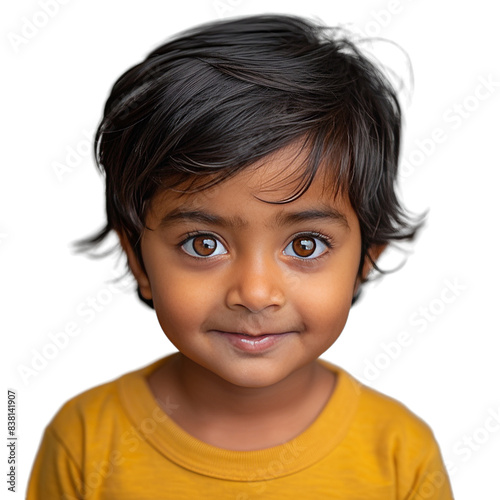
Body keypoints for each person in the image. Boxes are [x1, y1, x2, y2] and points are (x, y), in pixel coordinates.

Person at [27, 14, 454, 499]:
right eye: (203, 244)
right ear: (138, 260)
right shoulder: (84, 442)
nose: (254, 293)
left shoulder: (399, 453)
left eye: (305, 245)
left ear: (366, 259)